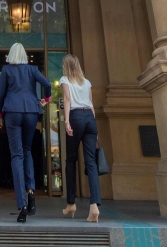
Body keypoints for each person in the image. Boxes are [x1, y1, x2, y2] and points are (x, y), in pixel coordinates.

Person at [0, 43, 51, 223]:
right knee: (27, 151)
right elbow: (47, 84)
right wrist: (46, 99)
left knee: (16, 155)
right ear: (25, 55)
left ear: (11, 55)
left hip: (12, 111)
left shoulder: (6, 70)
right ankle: (31, 191)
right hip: (31, 112)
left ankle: (22, 205)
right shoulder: (32, 69)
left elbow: (1, 94)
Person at [60, 54, 100, 223]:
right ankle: (94, 206)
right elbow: (91, 104)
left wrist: (67, 121)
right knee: (91, 162)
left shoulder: (65, 79)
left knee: (71, 160)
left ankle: (71, 203)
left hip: (76, 116)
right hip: (90, 118)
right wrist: (95, 127)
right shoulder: (87, 82)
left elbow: (67, 99)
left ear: (66, 66)